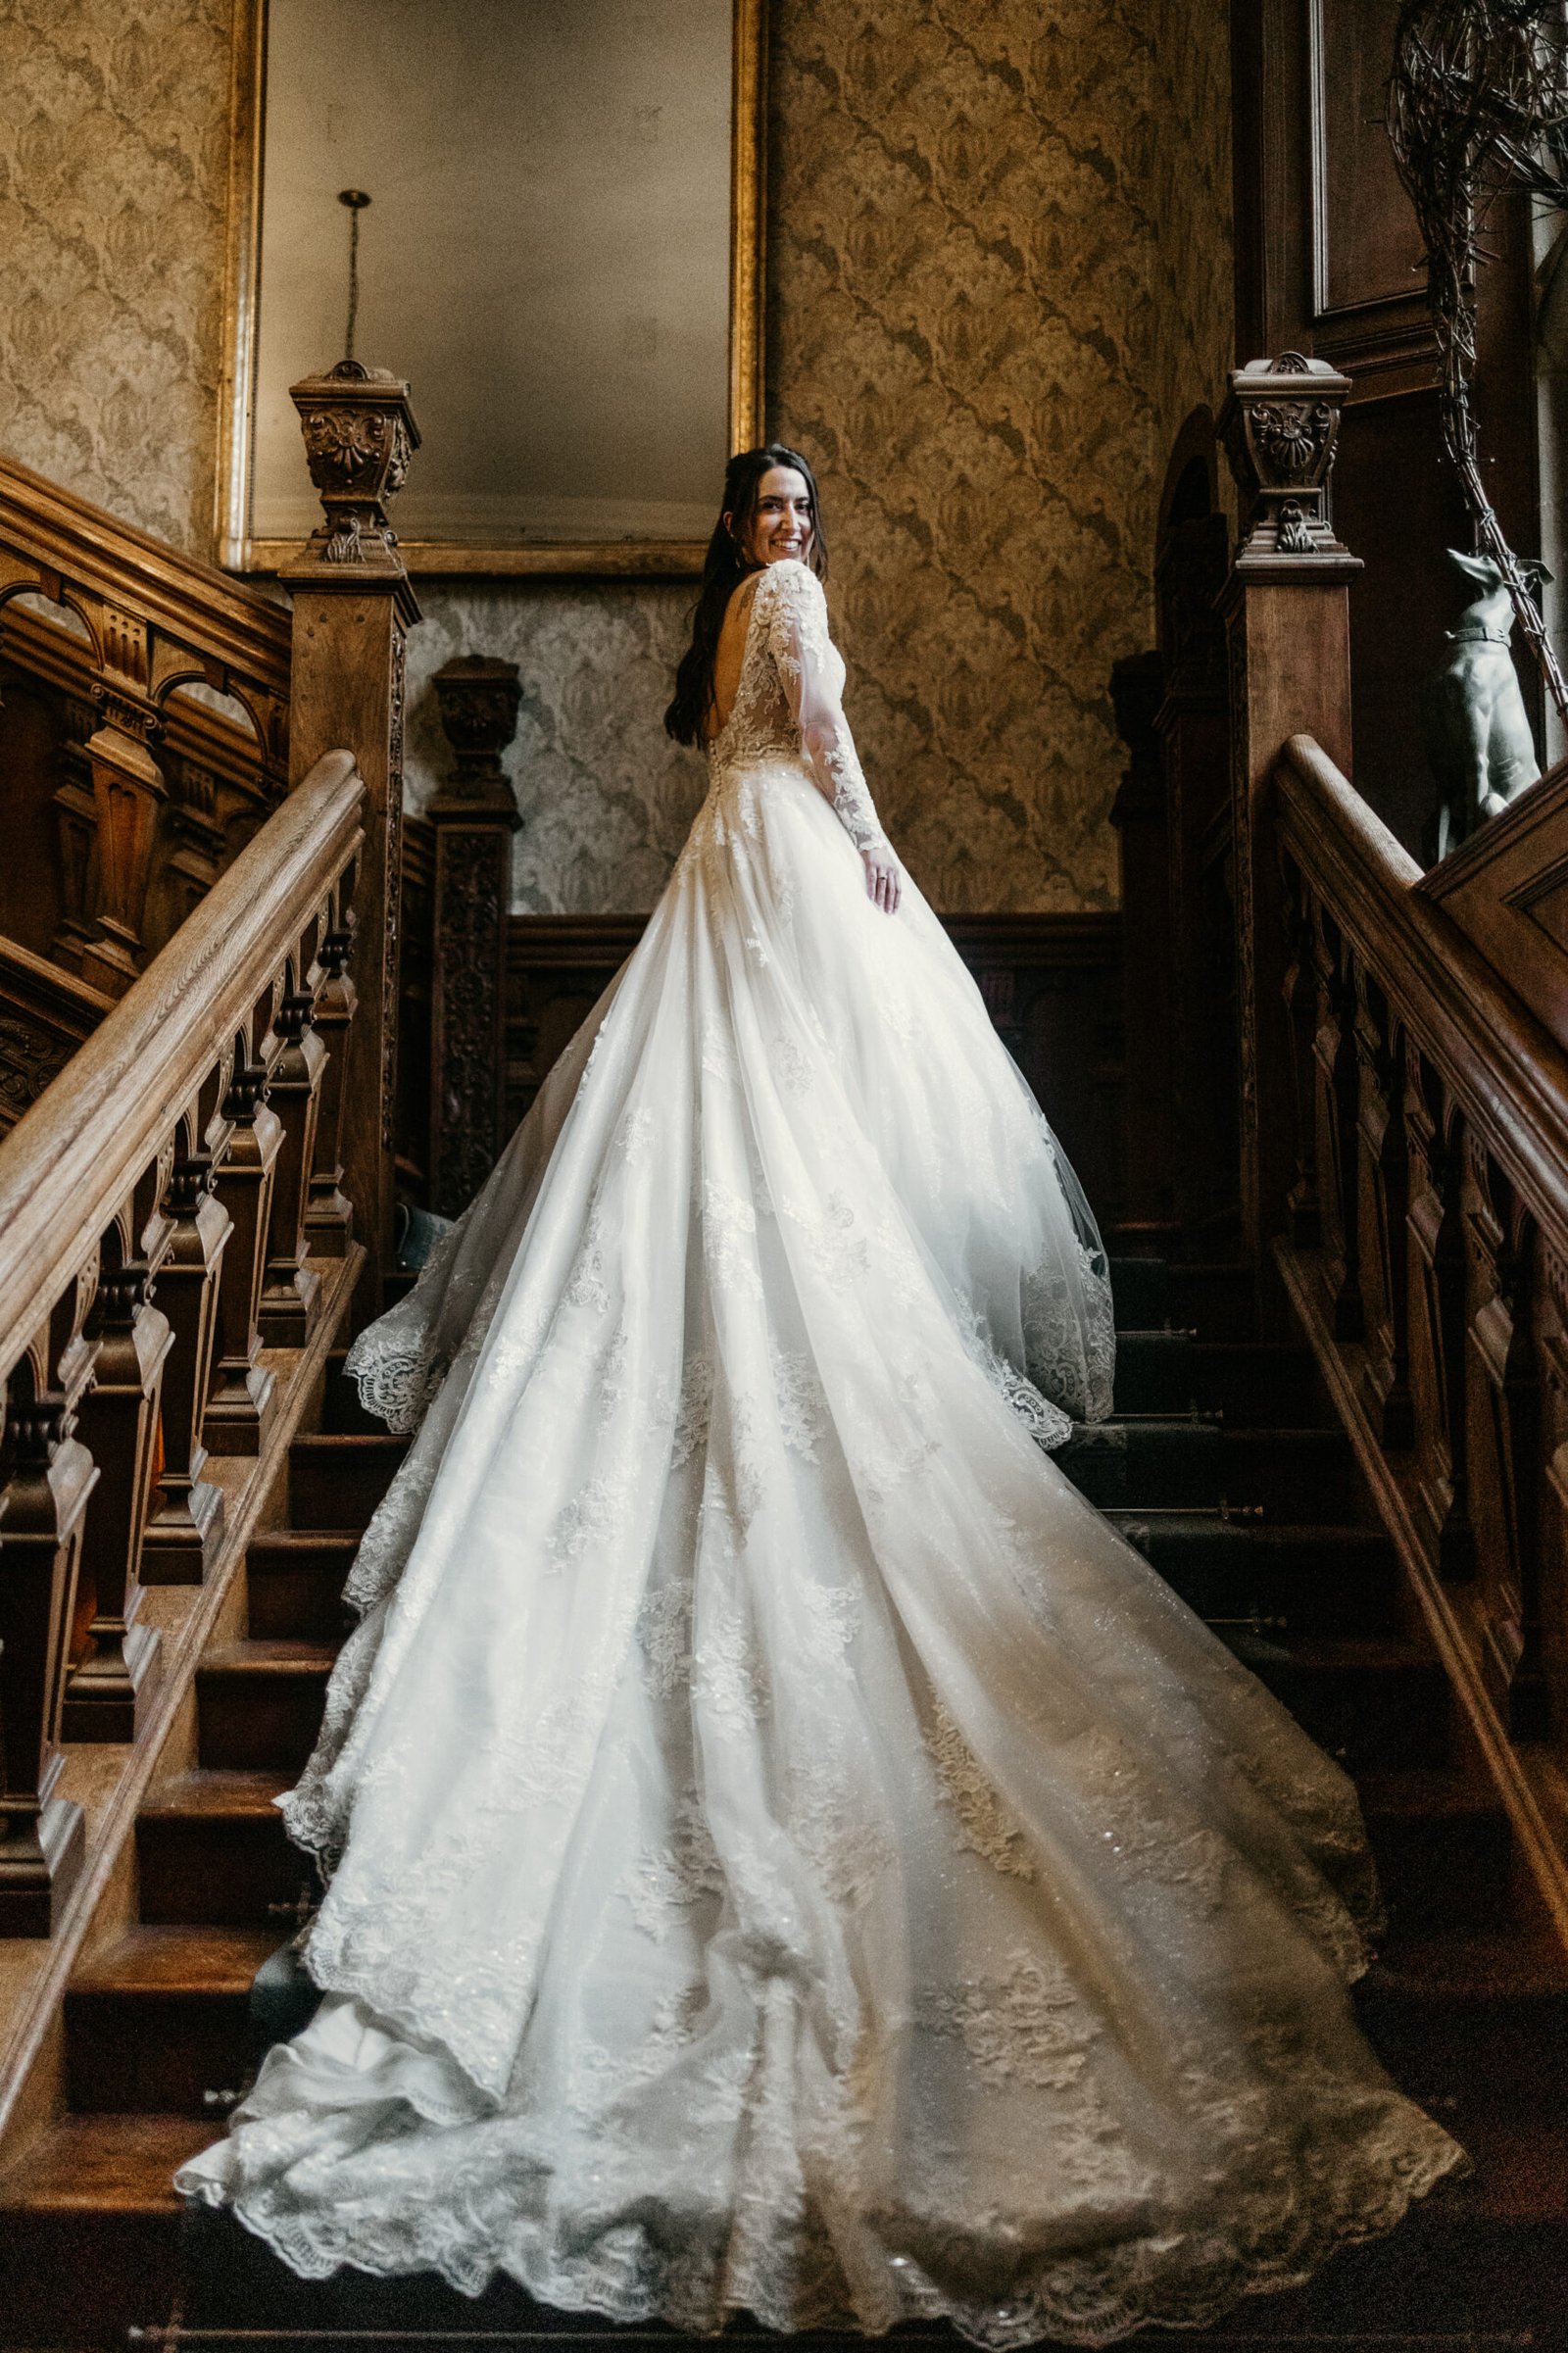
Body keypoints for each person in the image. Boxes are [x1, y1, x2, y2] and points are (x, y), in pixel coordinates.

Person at [178, 446, 1461, 2343]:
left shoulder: (733, 609)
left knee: (780, 1133)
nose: (783, 530)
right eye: (763, 507)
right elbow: (812, 747)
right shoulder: (783, 609)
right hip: (781, 855)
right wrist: (870, 855)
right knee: (805, 1120)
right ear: (745, 532)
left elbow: (738, 739)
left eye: (795, 506)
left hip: (723, 859)